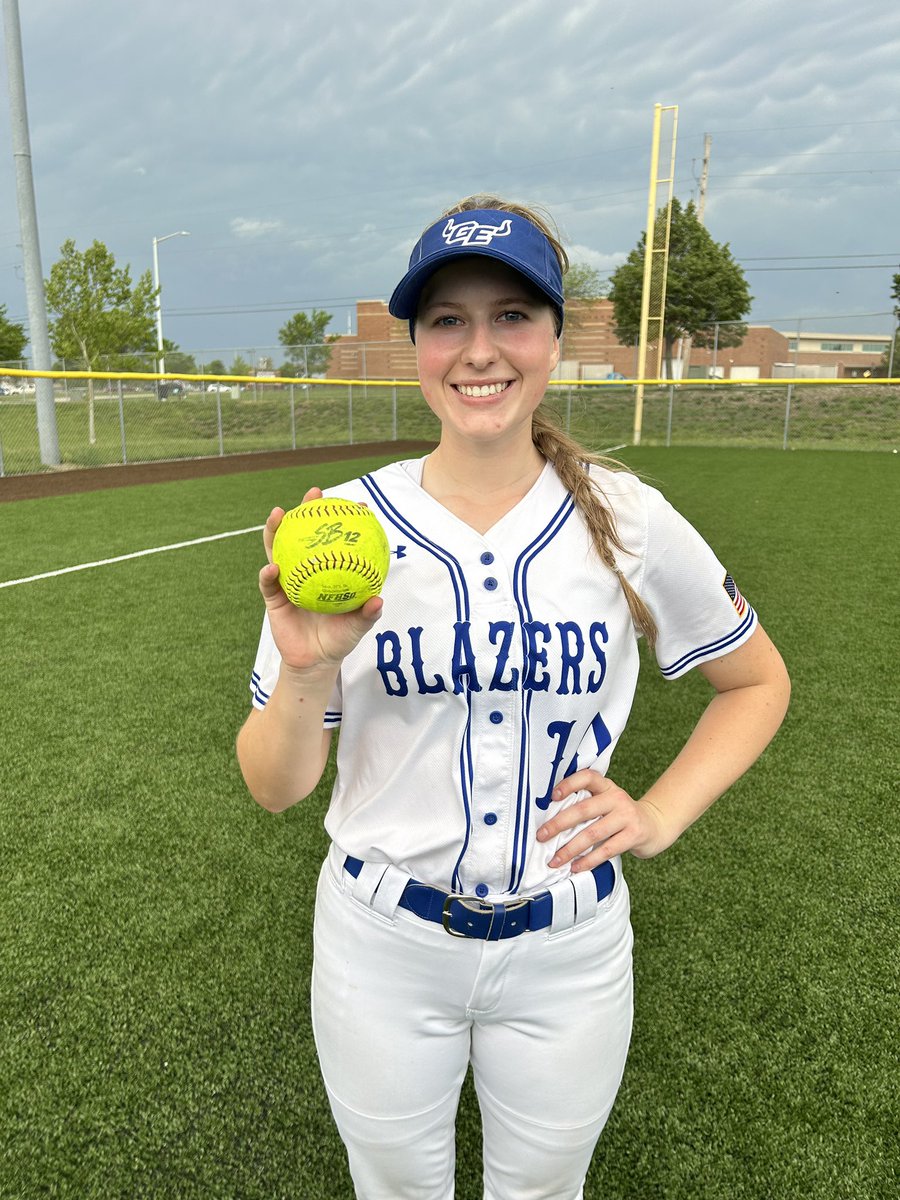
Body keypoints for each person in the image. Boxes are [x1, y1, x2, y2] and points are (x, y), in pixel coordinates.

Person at [236, 195, 791, 1200]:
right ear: (415, 343)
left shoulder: (629, 517)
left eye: (512, 316)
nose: (479, 349)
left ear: (554, 337)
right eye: (447, 318)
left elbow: (753, 681)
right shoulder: (344, 527)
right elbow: (275, 788)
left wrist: (659, 814)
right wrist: (311, 664)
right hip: (381, 947)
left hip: (569, 950)